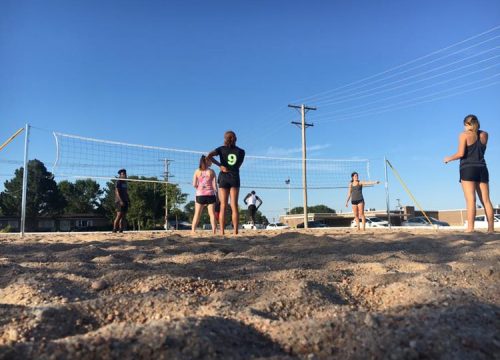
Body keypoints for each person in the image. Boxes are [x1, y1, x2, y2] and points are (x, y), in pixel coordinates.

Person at [444, 114, 494, 233]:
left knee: (471, 200)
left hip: (468, 168)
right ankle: (491, 229)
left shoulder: (464, 135)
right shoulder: (485, 135)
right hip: (482, 168)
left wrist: (448, 158)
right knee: (486, 200)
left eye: (465, 125)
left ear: (467, 124)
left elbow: (461, 153)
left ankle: (470, 228)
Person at [207, 130, 245, 235]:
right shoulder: (241, 151)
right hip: (234, 177)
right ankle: (235, 232)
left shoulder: (221, 149)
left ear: (225, 139)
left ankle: (222, 232)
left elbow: (208, 156)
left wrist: (220, 165)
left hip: (223, 177)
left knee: (223, 205)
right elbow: (238, 165)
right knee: (234, 205)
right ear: (235, 139)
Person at [191, 155, 218, 234]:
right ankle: (214, 231)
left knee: (197, 214)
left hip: (200, 195)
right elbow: (215, 186)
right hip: (211, 195)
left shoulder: (197, 171)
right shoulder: (212, 171)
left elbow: (194, 184)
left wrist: (199, 188)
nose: (212, 163)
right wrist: (217, 195)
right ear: (206, 161)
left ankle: (193, 230)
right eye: (210, 161)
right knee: (212, 214)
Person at [113, 169, 129, 233]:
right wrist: (120, 200)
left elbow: (126, 192)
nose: (125, 175)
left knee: (123, 216)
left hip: (125, 200)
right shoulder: (118, 182)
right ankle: (114, 229)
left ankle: (121, 229)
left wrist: (128, 200)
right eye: (123, 174)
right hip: (119, 201)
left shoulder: (125, 182)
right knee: (119, 215)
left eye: (125, 173)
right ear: (120, 175)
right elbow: (117, 192)